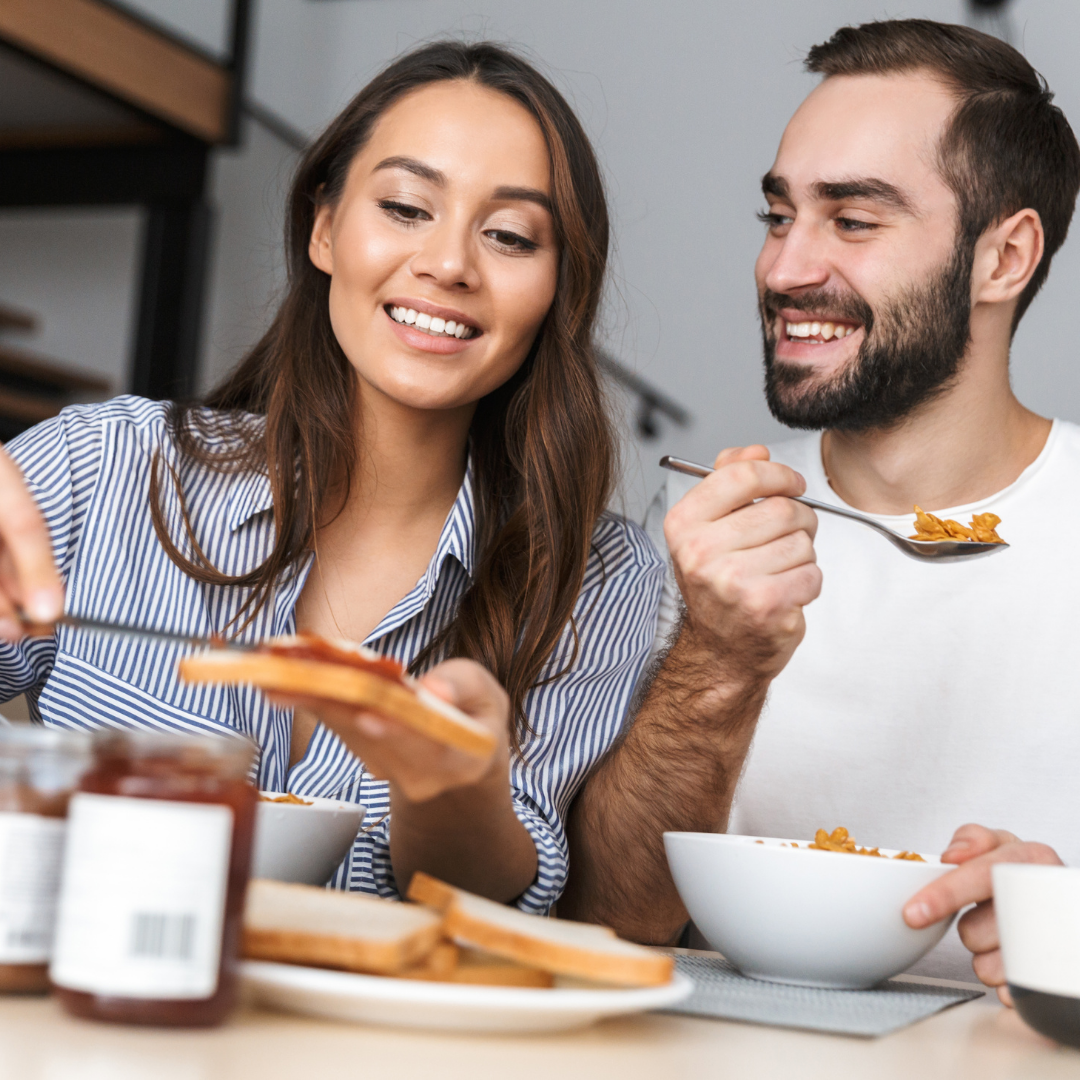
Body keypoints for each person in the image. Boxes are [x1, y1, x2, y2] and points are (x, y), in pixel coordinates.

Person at [0, 41, 664, 911]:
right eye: (404, 206)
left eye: (508, 235)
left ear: (558, 289)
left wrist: (450, 779)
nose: (450, 265)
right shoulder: (105, 467)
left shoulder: (598, 580)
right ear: (323, 227)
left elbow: (493, 898)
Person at [561, 19, 1077, 997]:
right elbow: (606, 922)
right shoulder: (699, 531)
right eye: (777, 216)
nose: (786, 269)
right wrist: (715, 663)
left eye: (853, 220)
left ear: (1003, 259)